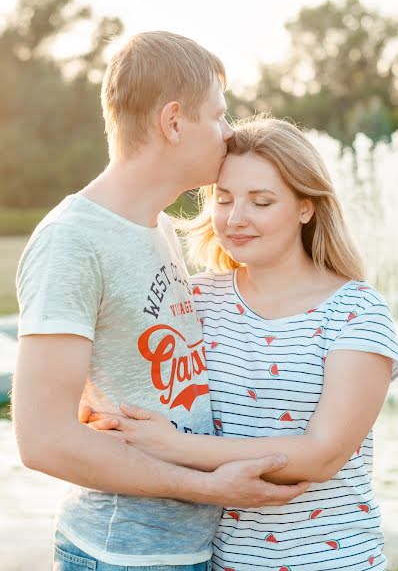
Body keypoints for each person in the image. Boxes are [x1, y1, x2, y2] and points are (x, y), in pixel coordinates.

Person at [13, 35, 307, 571]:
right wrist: (207, 486)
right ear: (173, 122)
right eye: (218, 115)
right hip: (119, 555)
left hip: (188, 551)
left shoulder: (160, 228)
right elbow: (43, 440)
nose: (229, 132)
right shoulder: (72, 241)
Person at [87, 118, 398, 570]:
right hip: (216, 562)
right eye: (225, 199)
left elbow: (322, 455)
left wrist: (175, 447)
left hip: (332, 561)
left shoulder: (357, 311)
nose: (235, 219)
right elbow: (109, 370)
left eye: (262, 201)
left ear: (306, 207)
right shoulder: (192, 299)